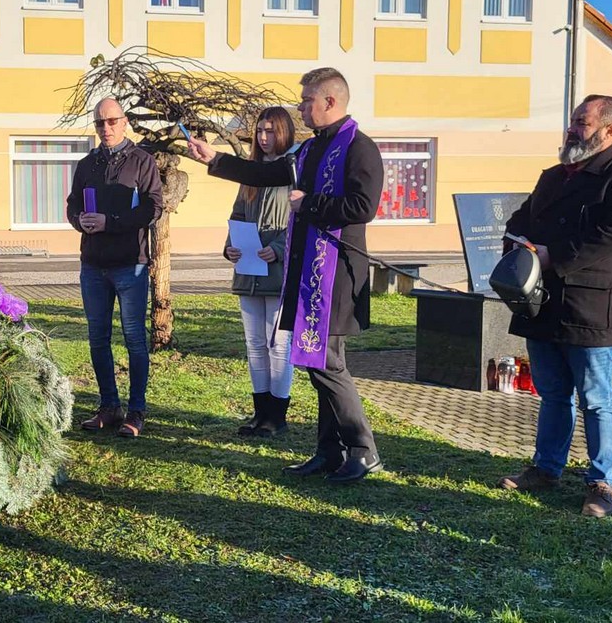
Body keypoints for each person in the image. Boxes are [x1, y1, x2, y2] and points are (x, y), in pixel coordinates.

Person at [186, 68, 386, 483]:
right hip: (309, 272)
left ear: (330, 101)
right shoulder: (311, 150)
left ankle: (364, 449)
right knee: (318, 364)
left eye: (307, 100)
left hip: (338, 275)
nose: (301, 108)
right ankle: (329, 451)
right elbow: (266, 174)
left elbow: (362, 207)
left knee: (326, 364)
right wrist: (216, 159)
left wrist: (308, 204)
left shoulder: (360, 148)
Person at [495, 94, 612, 518]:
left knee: (596, 400)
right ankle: (546, 469)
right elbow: (519, 221)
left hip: (591, 309)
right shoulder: (553, 176)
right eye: (573, 121)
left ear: (609, 131)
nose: (572, 128)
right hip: (542, 305)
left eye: (582, 122)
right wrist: (518, 246)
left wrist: (551, 255)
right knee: (553, 395)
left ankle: (602, 483)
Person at [66, 98, 164, 438]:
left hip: (129, 265)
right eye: (99, 123)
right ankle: (109, 406)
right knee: (98, 339)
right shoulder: (86, 164)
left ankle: (136, 411)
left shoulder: (142, 161)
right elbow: (72, 204)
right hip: (93, 265)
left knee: (135, 339)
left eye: (111, 121)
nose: (105, 128)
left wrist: (112, 221)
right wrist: (80, 220)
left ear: (124, 123)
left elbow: (154, 208)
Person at [223, 107, 298, 438]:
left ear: (284, 132)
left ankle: (276, 416)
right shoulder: (251, 173)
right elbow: (238, 213)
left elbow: (300, 221)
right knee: (254, 343)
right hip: (249, 270)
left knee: (278, 344)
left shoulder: (295, 170)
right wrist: (230, 246)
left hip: (279, 272)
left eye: (270, 131)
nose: (264, 138)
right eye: (260, 132)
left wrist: (280, 248)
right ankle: (260, 414)